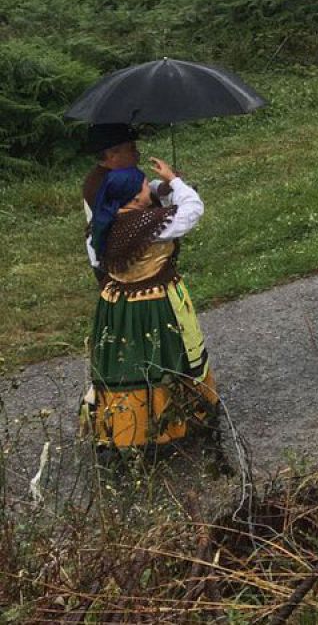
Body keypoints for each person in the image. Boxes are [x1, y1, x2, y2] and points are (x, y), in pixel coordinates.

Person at [81, 157, 217, 451]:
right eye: (145, 185)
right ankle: (172, 422)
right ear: (134, 196)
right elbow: (192, 210)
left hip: (116, 306)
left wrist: (164, 186)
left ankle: (127, 428)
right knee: (166, 357)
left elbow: (97, 261)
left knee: (125, 362)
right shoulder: (147, 225)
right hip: (154, 304)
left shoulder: (102, 225)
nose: (149, 188)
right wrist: (177, 182)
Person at [82, 123, 141, 278]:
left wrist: (164, 188)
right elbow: (134, 213)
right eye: (132, 148)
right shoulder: (99, 184)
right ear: (112, 154)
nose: (137, 153)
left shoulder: (119, 175)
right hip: (115, 262)